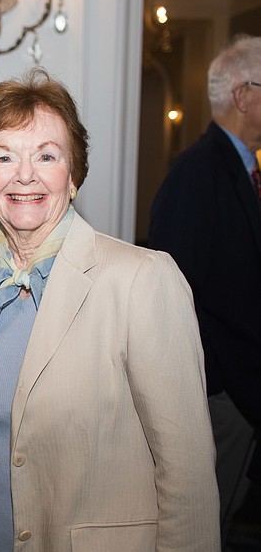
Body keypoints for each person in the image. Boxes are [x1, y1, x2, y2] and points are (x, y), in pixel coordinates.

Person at [0, 69, 219, 551]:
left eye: (47, 155)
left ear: (73, 174)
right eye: (4, 156)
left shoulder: (142, 280)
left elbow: (187, 471)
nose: (25, 174)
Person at [149, 34, 261, 540]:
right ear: (243, 95)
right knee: (199, 526)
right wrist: (213, 383)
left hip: (243, 384)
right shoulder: (197, 173)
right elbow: (174, 291)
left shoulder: (242, 166)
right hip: (222, 389)